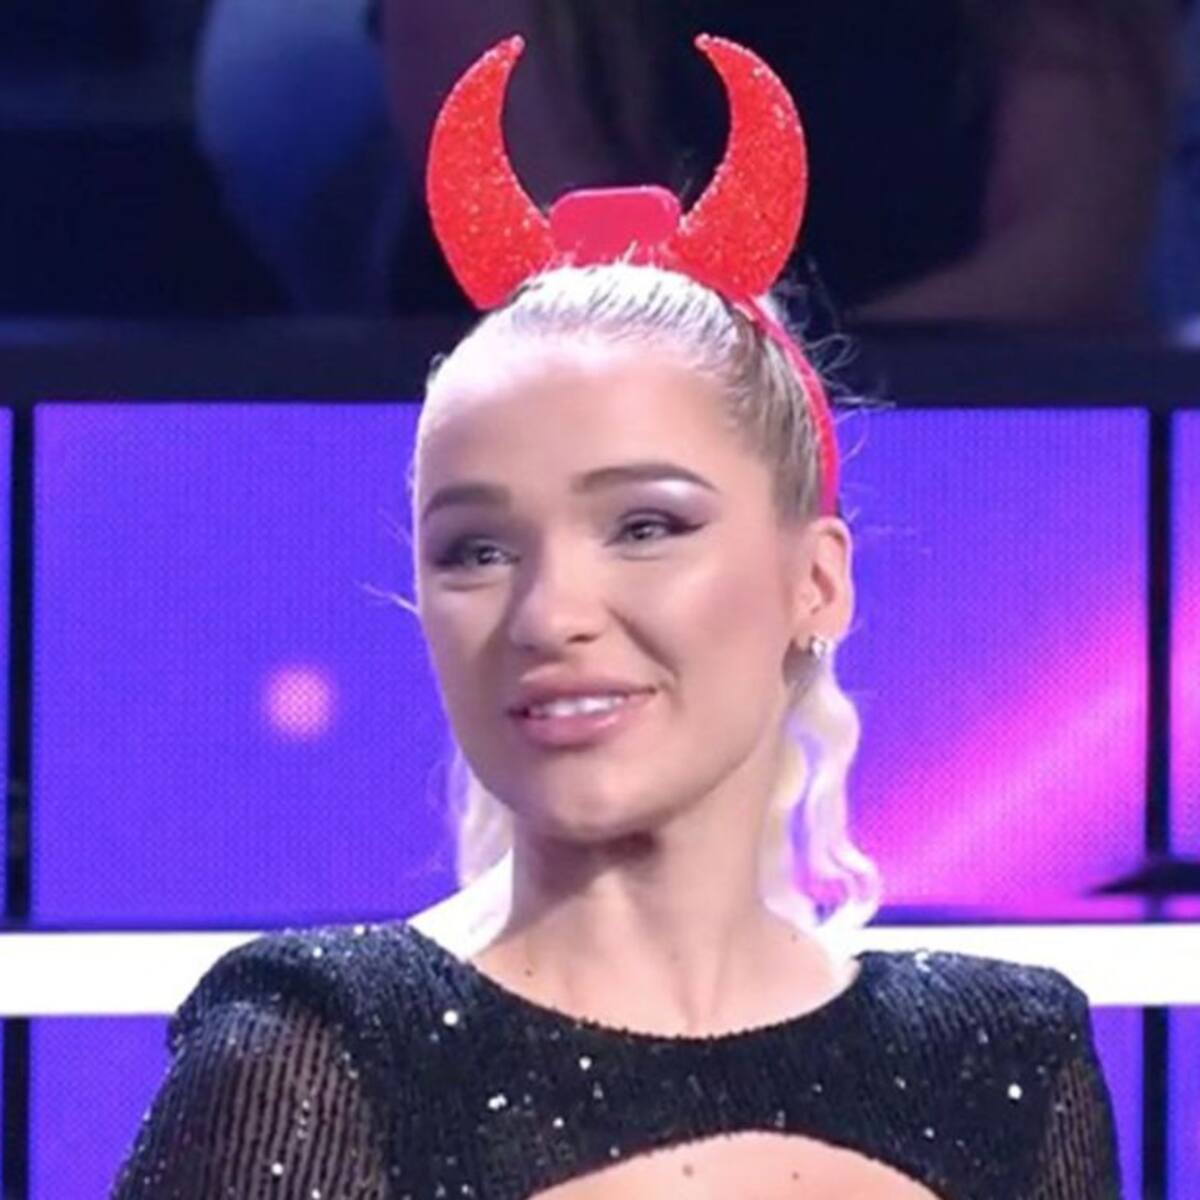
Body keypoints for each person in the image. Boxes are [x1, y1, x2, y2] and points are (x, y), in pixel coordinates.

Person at [110, 33, 1121, 1199]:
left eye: (646, 526)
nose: (550, 613)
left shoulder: (1001, 1059)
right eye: (476, 550)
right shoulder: (317, 1052)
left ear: (817, 581)